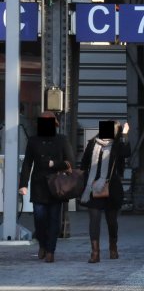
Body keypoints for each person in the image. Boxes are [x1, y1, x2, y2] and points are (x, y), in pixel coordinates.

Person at [18, 113, 74, 263]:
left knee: (54, 220)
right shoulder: (33, 141)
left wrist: (54, 164)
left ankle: (50, 251)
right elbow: (27, 164)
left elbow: (70, 162)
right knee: (39, 219)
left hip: (56, 186)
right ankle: (43, 244)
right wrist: (23, 184)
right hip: (38, 185)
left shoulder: (61, 140)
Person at [79, 120, 127, 263]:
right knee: (94, 220)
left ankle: (113, 247)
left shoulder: (118, 146)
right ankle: (95, 252)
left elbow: (127, 153)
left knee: (111, 221)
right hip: (93, 187)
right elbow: (84, 164)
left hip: (112, 189)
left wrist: (125, 135)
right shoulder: (92, 143)